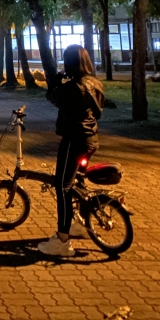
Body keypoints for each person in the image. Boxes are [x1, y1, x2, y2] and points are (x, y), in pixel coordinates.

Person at [37, 44, 105, 258]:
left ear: (69, 63)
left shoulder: (72, 87)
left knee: (63, 187)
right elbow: (98, 112)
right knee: (77, 183)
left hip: (73, 141)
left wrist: (56, 80)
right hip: (91, 140)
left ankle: (62, 240)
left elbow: (52, 98)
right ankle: (78, 223)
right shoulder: (96, 83)